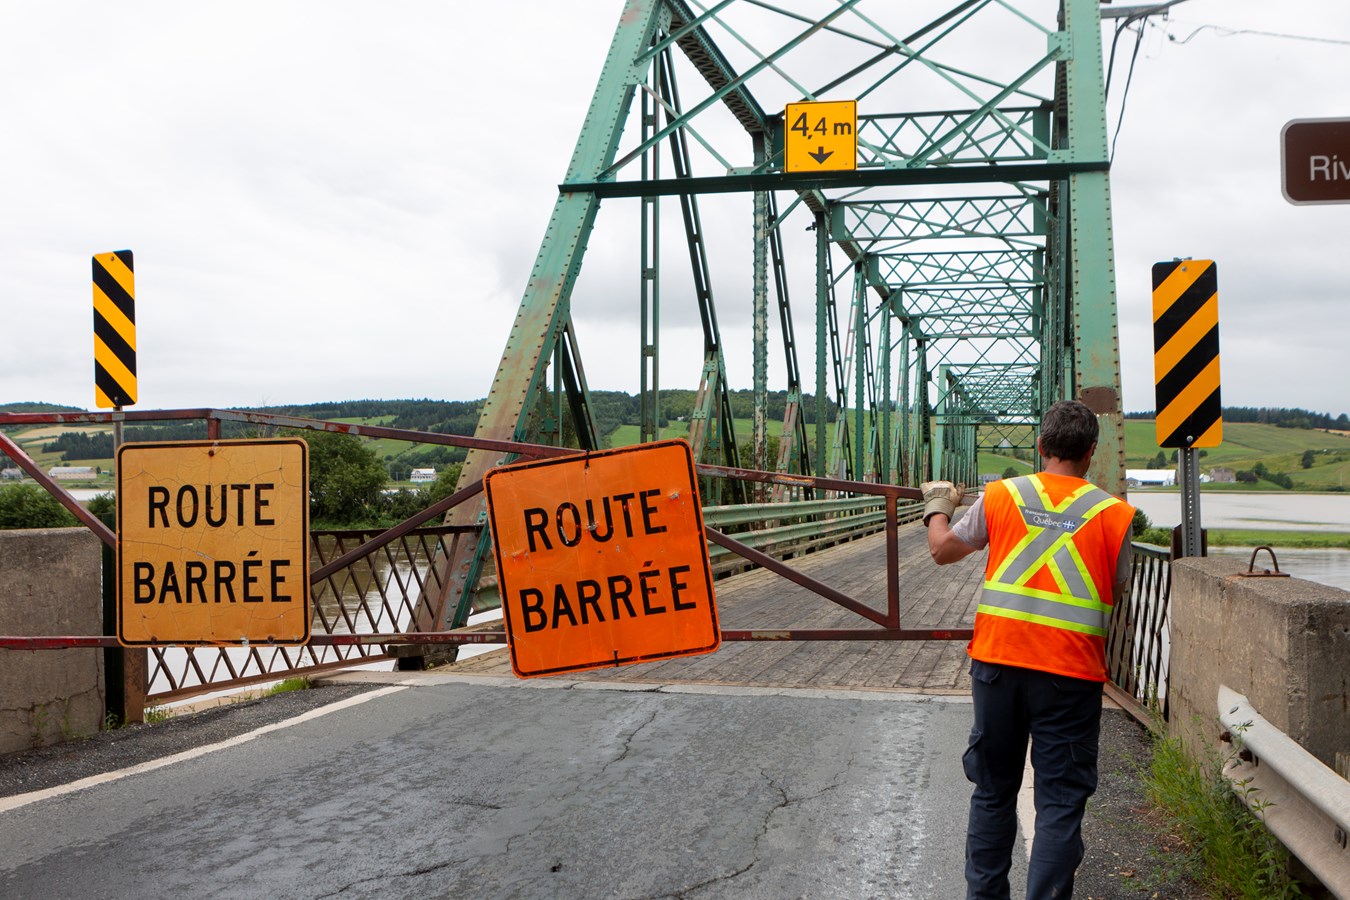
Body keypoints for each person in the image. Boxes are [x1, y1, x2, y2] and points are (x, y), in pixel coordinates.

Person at [921, 399, 1134, 900]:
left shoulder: (1000, 496)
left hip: (997, 665)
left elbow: (942, 550)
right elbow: (1114, 590)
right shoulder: (1116, 516)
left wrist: (936, 507)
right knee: (1060, 802)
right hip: (1071, 673)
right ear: (1092, 453)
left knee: (994, 792)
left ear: (1041, 447)